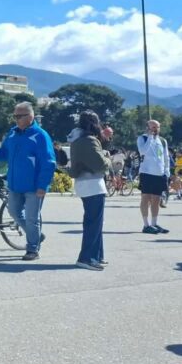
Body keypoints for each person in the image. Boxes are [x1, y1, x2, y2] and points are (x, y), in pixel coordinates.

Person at [0, 102, 56, 261]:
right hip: (14, 184)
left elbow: (49, 162)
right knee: (14, 212)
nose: (16, 119)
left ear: (31, 116)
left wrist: (43, 185)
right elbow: (4, 152)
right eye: (15, 116)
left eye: (20, 116)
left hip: (34, 186)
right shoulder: (12, 133)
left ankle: (32, 249)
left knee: (32, 218)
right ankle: (36, 235)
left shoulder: (40, 135)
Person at [68, 111, 109, 270]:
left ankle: (97, 255)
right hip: (93, 184)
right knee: (94, 223)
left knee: (94, 222)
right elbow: (100, 164)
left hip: (83, 183)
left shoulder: (76, 139)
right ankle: (87, 258)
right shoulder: (90, 140)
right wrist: (107, 158)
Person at [137, 120, 170, 234]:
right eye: (153, 127)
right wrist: (150, 137)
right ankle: (146, 225)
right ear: (147, 128)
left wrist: (167, 172)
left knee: (156, 199)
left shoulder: (163, 141)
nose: (155, 129)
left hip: (159, 174)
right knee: (145, 198)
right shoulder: (142, 138)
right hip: (146, 173)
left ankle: (154, 223)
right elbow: (143, 151)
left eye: (157, 127)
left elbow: (166, 157)